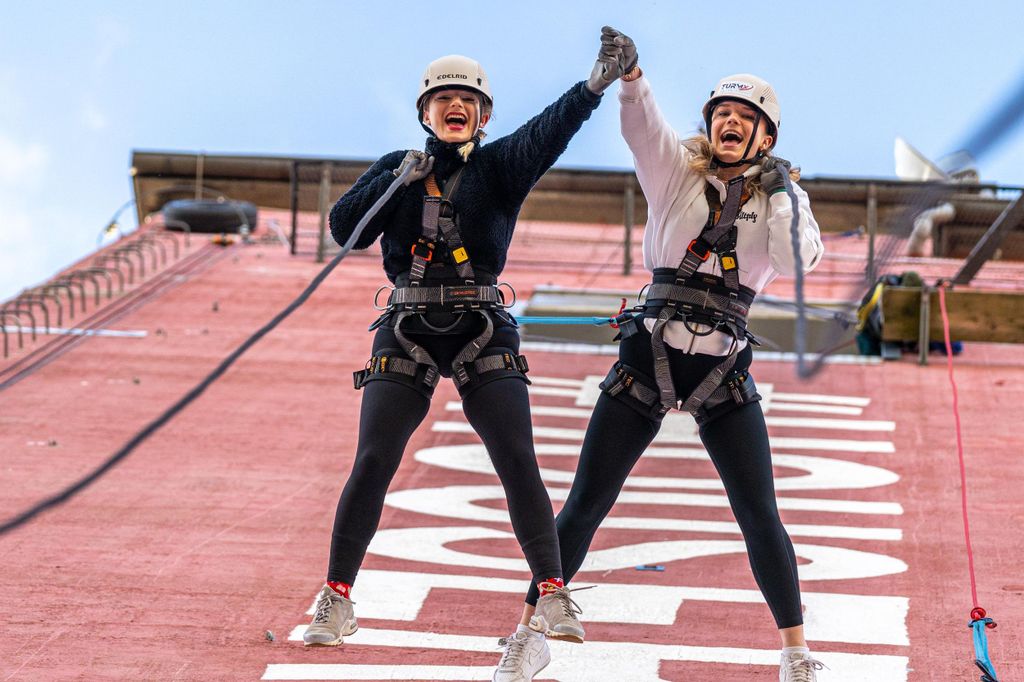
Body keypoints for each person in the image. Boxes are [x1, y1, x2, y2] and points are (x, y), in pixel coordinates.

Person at [492, 27, 827, 682]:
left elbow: (796, 262)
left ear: (767, 138)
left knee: (760, 514)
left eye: (746, 119)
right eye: (723, 114)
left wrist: (784, 190)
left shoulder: (782, 201)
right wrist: (632, 77)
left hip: (723, 374)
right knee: (585, 501)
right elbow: (643, 129)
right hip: (647, 361)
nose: (731, 123)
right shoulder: (676, 174)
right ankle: (527, 635)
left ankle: (795, 654)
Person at [303, 41, 627, 648]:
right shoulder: (399, 168)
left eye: (468, 100)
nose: (456, 106)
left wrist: (591, 88)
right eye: (444, 99)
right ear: (425, 113)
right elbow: (347, 229)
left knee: (515, 455)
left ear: (484, 115)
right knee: (374, 459)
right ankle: (336, 598)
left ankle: (552, 591)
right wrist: (395, 176)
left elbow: (546, 133)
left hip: (482, 328)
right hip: (407, 328)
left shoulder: (501, 167)